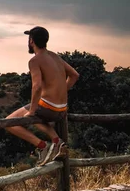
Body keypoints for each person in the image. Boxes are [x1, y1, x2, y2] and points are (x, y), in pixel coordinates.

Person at [6, 26, 80, 166]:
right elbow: (75, 75)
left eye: (29, 39)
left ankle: (42, 146)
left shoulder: (34, 61)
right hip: (62, 110)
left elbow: (37, 86)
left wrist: (32, 112)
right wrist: (61, 91)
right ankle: (57, 142)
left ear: (32, 41)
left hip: (48, 108)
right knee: (37, 115)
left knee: (9, 122)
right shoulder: (55, 57)